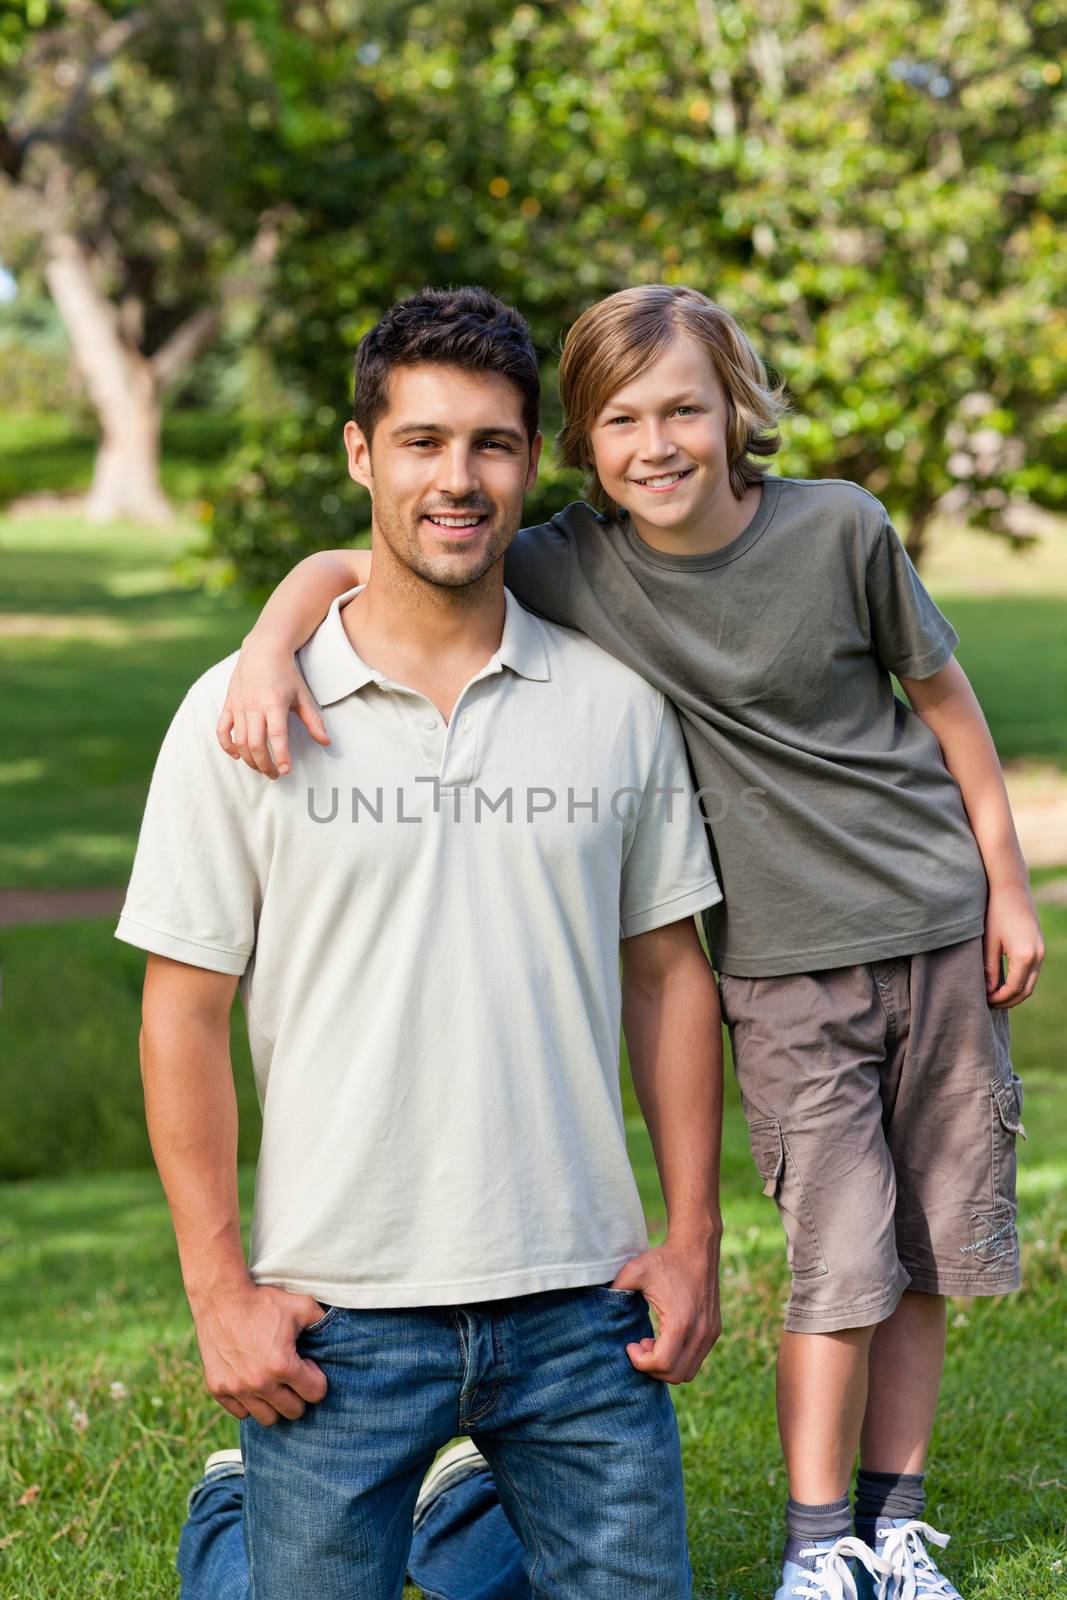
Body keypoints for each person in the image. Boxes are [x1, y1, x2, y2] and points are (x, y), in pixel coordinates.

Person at [220, 283, 1044, 1600]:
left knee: (930, 1251)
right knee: (842, 1250)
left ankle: (897, 1524)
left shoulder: (843, 529)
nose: (656, 444)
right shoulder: (569, 561)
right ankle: (819, 1542)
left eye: (684, 411)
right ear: (584, 448)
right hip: (779, 968)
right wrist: (273, 641)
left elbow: (945, 703)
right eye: (620, 419)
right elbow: (365, 559)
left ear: (738, 413)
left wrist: (1005, 884)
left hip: (939, 927)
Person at [118, 285, 728, 1600]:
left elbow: (671, 975)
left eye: (493, 445)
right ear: (361, 455)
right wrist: (220, 1291)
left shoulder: (614, 707)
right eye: (422, 442)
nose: (459, 479)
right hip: (338, 1313)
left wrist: (693, 1238)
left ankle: (459, 1510)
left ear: (530, 463)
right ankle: (233, 1519)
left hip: (580, 1306)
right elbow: (182, 1011)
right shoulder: (241, 713)